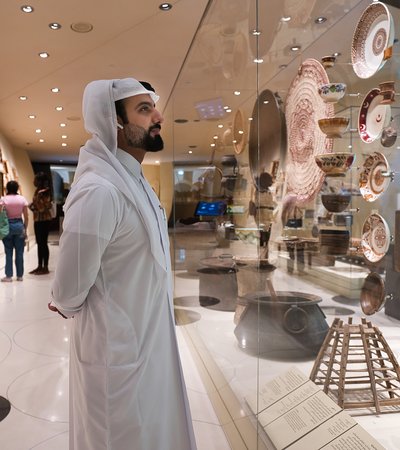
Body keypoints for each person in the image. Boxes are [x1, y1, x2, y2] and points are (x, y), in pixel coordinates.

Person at [49, 78, 196, 450]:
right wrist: (65, 302)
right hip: (115, 358)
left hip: (148, 349)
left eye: (153, 107)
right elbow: (67, 290)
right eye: (144, 110)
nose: (158, 116)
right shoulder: (100, 190)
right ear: (112, 121)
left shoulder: (135, 182)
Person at [0, 180, 29, 282]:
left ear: (7, 188)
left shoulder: (3, 199)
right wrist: (24, 228)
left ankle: (8, 276)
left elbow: (0, 214)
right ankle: (20, 276)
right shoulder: (22, 199)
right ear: (17, 188)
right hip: (19, 226)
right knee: (20, 252)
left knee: (8, 252)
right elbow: (26, 216)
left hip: (7, 227)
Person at [29, 172, 53, 275]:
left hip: (44, 220)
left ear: (40, 181)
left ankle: (45, 267)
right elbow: (36, 206)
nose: (34, 181)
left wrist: (35, 206)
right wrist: (33, 206)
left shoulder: (45, 192)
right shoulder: (37, 191)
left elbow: (44, 207)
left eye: (36, 180)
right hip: (37, 220)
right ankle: (39, 266)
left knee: (43, 243)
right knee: (39, 243)